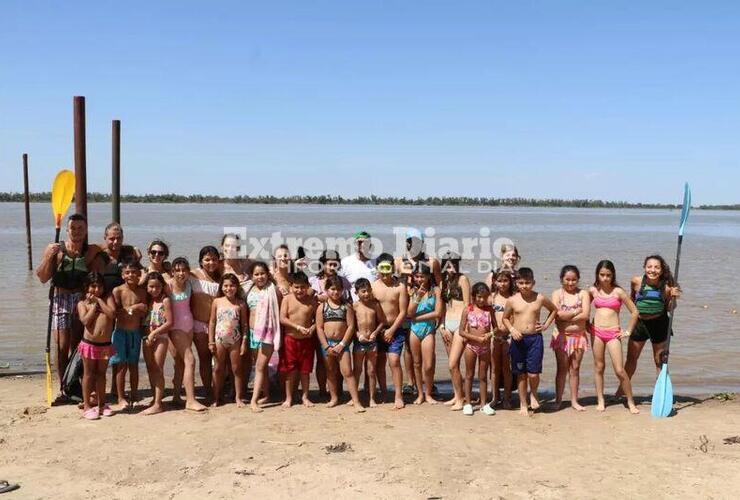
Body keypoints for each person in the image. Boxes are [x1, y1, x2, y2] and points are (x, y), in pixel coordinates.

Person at [35, 213, 101, 393]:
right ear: (67, 230)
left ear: (86, 230)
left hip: (80, 299)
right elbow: (42, 277)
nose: (77, 232)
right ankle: (63, 386)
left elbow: (113, 248)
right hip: (60, 299)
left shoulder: (92, 250)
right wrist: (48, 257)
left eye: (80, 228)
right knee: (62, 346)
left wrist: (133, 250)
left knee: (79, 344)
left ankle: (77, 382)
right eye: (73, 228)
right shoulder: (56, 250)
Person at [619, 255, 681, 396]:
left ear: (661, 269)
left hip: (659, 324)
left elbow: (670, 308)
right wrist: (635, 316)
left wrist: (673, 297)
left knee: (659, 361)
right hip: (640, 324)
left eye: (656, 267)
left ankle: (661, 393)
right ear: (644, 267)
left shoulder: (666, 287)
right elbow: (632, 300)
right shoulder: (636, 281)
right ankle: (621, 391)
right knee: (631, 360)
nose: (652, 270)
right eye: (649, 267)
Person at [502, 268, 557, 416]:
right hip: (518, 339)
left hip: (535, 339)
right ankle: (523, 403)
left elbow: (554, 310)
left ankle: (533, 393)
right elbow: (505, 318)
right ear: (516, 283)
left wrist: (545, 325)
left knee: (533, 374)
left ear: (533, 283)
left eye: (528, 283)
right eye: (521, 283)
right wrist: (512, 330)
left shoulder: (539, 298)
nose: (524, 286)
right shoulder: (512, 300)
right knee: (521, 374)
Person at [589, 260, 640, 414]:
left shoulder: (618, 292)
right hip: (596, 332)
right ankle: (600, 400)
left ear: (613, 275)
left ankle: (630, 401)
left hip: (613, 333)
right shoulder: (592, 291)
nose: (605, 278)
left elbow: (635, 311)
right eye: (602, 275)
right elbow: (584, 308)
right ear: (597, 275)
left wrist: (628, 331)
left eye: (608, 275)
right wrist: (585, 324)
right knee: (599, 367)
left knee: (619, 370)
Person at [316, 276, 365, 411]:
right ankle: (334, 398)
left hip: (341, 345)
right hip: (327, 345)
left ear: (343, 290)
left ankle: (356, 401)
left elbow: (350, 326)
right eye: (332, 289)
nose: (335, 292)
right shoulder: (322, 307)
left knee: (347, 372)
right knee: (330, 372)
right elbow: (319, 327)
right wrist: (326, 345)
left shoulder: (346, 306)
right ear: (326, 290)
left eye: (338, 289)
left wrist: (342, 344)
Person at [309, 249, 352, 397]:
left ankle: (338, 391)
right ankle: (322, 391)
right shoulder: (314, 281)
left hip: (340, 325)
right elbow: (309, 301)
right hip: (319, 325)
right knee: (322, 361)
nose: (332, 267)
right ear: (323, 265)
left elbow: (349, 302)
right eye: (329, 264)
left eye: (335, 264)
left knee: (339, 360)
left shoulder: (343, 282)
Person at [550, 265, 591, 411]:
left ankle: (574, 401)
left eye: (574, 280)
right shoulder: (557, 294)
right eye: (567, 279)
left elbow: (585, 315)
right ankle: (558, 399)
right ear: (562, 279)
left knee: (575, 368)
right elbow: (557, 315)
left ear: (578, 280)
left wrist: (567, 317)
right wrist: (575, 312)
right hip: (560, 337)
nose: (570, 283)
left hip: (578, 337)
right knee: (561, 369)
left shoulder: (583, 294)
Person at [168, 257, 206, 412]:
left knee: (180, 363)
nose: (181, 273)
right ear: (172, 271)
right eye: (177, 270)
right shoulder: (167, 286)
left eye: (184, 270)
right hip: (175, 328)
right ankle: (190, 400)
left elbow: (201, 273)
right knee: (190, 359)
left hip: (188, 326)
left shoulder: (190, 283)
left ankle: (176, 395)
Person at [76, 272, 116, 420]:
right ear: (87, 287)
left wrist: (99, 301)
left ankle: (102, 404)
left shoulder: (108, 298)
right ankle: (87, 405)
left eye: (99, 286)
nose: (97, 289)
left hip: (105, 345)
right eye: (93, 286)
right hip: (89, 344)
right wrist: (93, 307)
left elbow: (112, 314)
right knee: (88, 374)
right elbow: (85, 321)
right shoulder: (82, 303)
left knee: (101, 374)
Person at [243, 261, 282, 412]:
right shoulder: (248, 289)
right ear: (252, 276)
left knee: (259, 366)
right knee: (261, 367)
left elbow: (279, 311)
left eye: (262, 273)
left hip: (268, 333)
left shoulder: (273, 290)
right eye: (256, 274)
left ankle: (254, 401)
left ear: (268, 274)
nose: (260, 277)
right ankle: (267, 395)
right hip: (253, 333)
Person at [371, 253, 408, 409]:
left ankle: (398, 395)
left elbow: (403, 312)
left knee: (394, 361)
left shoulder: (400, 286)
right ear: (377, 269)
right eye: (382, 269)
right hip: (378, 330)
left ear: (393, 268)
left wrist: (392, 330)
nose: (385, 272)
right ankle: (385, 392)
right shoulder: (373, 286)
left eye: (388, 268)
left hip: (396, 329)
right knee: (379, 363)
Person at [111, 259, 147, 409]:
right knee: (121, 366)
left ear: (139, 274)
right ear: (122, 275)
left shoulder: (142, 291)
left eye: (133, 272)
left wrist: (139, 307)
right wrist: (134, 307)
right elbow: (116, 312)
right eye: (127, 272)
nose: (130, 275)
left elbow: (145, 309)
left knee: (133, 365)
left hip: (135, 333)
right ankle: (120, 397)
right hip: (120, 332)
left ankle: (134, 394)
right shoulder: (117, 291)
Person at [279, 271, 318, 408]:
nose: (299, 290)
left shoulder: (311, 301)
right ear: (291, 286)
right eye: (296, 287)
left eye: (302, 287)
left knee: (305, 371)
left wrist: (312, 328)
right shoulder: (287, 299)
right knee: (290, 370)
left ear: (307, 286)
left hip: (307, 340)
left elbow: (318, 320)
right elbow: (282, 318)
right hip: (290, 339)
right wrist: (297, 327)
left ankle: (305, 396)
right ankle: (288, 398)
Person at [209, 274, 248, 408]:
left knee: (236, 369)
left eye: (232, 285)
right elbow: (212, 322)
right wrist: (211, 342)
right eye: (225, 286)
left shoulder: (241, 303)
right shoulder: (217, 302)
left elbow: (244, 325)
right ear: (221, 287)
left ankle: (238, 397)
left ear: (237, 287)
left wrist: (244, 342)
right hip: (219, 339)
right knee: (218, 368)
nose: (229, 288)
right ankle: (216, 397)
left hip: (235, 340)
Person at [406, 262, 443, 405]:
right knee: (416, 363)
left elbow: (438, 312)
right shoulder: (412, 291)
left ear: (428, 276)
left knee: (428, 365)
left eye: (422, 276)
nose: (420, 279)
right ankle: (420, 394)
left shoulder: (436, 290)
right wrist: (418, 297)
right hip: (414, 329)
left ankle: (428, 393)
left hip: (428, 329)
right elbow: (409, 313)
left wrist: (418, 317)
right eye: (417, 276)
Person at [438, 251, 470, 410]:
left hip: (459, 325)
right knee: (454, 364)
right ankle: (457, 395)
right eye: (448, 265)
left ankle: (461, 399)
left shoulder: (462, 279)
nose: (451, 268)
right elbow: (443, 306)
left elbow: (467, 305)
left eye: (453, 265)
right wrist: (442, 326)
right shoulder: (444, 282)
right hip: (447, 324)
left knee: (452, 364)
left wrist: (463, 327)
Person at [459, 283, 496, 416]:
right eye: (479, 297)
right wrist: (476, 339)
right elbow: (461, 331)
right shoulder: (467, 310)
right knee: (469, 375)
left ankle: (483, 404)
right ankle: (468, 403)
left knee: (483, 376)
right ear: (474, 296)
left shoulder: (489, 310)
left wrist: (490, 334)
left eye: (485, 297)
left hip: (485, 347)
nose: (482, 300)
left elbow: (496, 328)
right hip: (470, 347)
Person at [190, 245, 221, 400]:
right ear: (201, 261)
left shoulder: (221, 276)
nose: (211, 262)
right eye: (207, 259)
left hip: (218, 325)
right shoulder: (193, 274)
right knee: (204, 358)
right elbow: (173, 274)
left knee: (219, 358)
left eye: (214, 259)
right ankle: (208, 390)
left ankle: (218, 390)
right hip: (199, 323)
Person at [141, 271, 173, 415]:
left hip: (160, 337)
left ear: (162, 287)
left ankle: (158, 403)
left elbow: (170, 322)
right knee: (150, 367)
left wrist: (155, 333)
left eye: (158, 287)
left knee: (157, 368)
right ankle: (155, 398)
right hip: (147, 338)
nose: (154, 290)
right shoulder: (148, 301)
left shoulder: (165, 301)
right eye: (151, 287)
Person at [352, 278, 384, 407]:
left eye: (368, 291)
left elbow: (382, 322)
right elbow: (350, 326)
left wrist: (375, 333)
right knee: (357, 370)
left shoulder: (375, 305)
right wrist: (358, 335)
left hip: (372, 342)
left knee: (371, 371)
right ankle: (354, 398)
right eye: (363, 291)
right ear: (356, 292)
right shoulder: (354, 306)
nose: (366, 294)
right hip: (359, 342)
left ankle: (372, 398)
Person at [490, 270, 514, 409]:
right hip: (493, 336)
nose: (502, 284)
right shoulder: (491, 298)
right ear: (494, 282)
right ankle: (494, 397)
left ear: (510, 282)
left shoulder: (513, 298)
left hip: (508, 336)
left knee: (507, 368)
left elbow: (515, 318)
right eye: (499, 281)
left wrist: (505, 331)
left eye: (505, 281)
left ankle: (507, 398)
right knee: (494, 368)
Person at [98, 222, 141, 292]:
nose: (116, 242)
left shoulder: (128, 254)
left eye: (119, 238)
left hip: (125, 296)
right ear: (105, 238)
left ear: (122, 238)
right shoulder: (99, 257)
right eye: (112, 239)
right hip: (106, 296)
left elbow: (139, 272)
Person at [341, 231, 377, 301]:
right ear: (355, 244)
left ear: (370, 246)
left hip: (374, 305)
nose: (363, 245)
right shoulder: (345, 262)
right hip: (354, 306)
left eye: (366, 243)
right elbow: (339, 285)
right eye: (360, 242)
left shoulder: (377, 261)